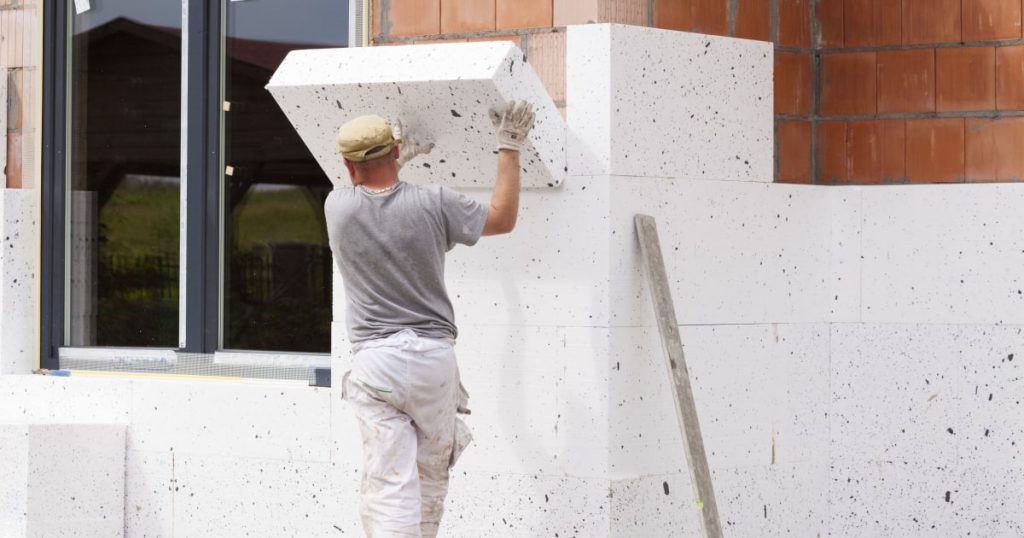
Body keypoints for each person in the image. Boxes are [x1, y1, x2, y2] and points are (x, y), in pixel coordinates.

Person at [326, 101, 536, 537]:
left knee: (388, 485)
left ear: (348, 167)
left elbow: (373, 190)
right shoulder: (435, 203)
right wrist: (509, 147)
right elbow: (503, 219)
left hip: (377, 367)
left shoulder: (337, 209)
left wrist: (403, 152)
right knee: (430, 480)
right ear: (396, 154)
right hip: (433, 365)